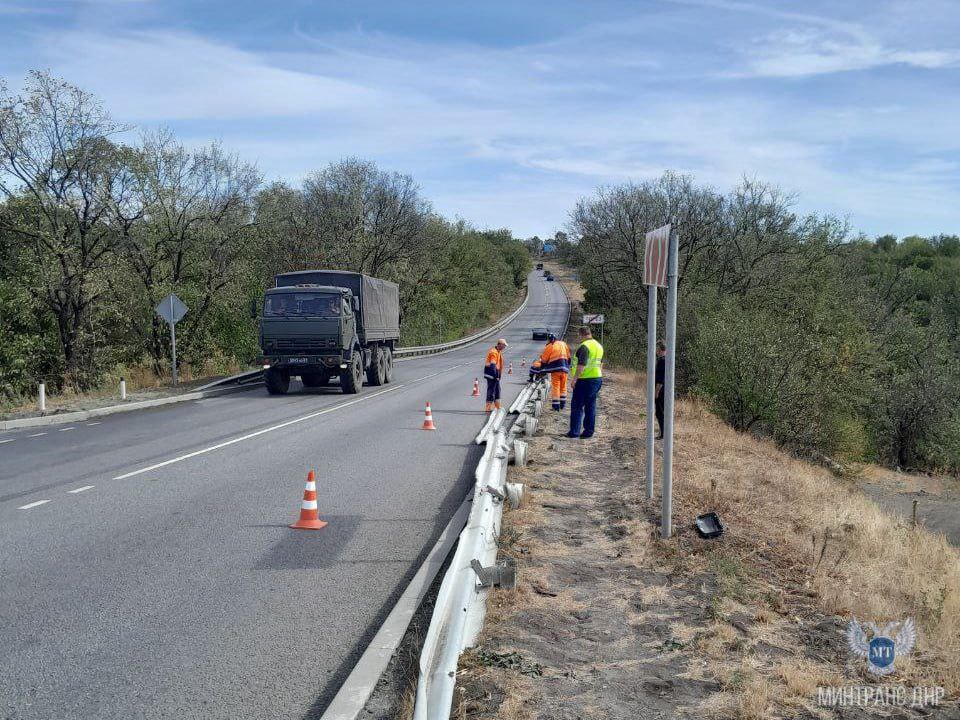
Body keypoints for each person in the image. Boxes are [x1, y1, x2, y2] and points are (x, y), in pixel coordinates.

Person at [567, 326, 604, 438]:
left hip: (584, 380)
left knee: (577, 406)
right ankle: (588, 432)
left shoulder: (584, 346)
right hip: (596, 379)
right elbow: (601, 364)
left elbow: (581, 365)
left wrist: (574, 379)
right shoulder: (598, 346)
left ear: (581, 334)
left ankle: (574, 432)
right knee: (590, 406)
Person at [534, 333, 571, 410]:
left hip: (556, 369)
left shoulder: (550, 346)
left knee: (556, 386)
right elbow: (568, 357)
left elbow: (544, 360)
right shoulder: (563, 344)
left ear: (549, 340)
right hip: (565, 369)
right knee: (563, 386)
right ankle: (563, 404)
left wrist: (542, 370)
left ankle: (556, 405)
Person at [483, 338, 508, 412]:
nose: (504, 347)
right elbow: (493, 365)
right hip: (491, 373)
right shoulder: (493, 352)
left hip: (494, 373)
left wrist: (499, 375)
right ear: (499, 344)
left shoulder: (498, 351)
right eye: (504, 345)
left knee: (497, 389)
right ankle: (488, 407)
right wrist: (496, 376)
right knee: (491, 390)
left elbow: (497, 365)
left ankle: (497, 406)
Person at [654, 340, 666, 439]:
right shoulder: (665, 359)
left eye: (656, 348)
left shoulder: (662, 361)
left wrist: (656, 392)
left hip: (661, 391)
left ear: (659, 349)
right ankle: (663, 432)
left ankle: (663, 434)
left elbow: (661, 379)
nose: (655, 351)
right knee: (661, 412)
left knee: (660, 412)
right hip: (664, 390)